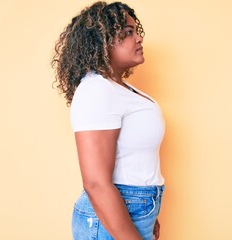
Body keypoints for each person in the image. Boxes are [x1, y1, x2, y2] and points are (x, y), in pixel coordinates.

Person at [51, 2, 165, 239]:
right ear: (100, 43)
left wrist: (148, 210)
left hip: (131, 211)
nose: (139, 39)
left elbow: (134, 159)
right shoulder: (97, 90)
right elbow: (95, 183)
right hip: (109, 222)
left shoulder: (119, 89)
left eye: (136, 31)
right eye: (127, 33)